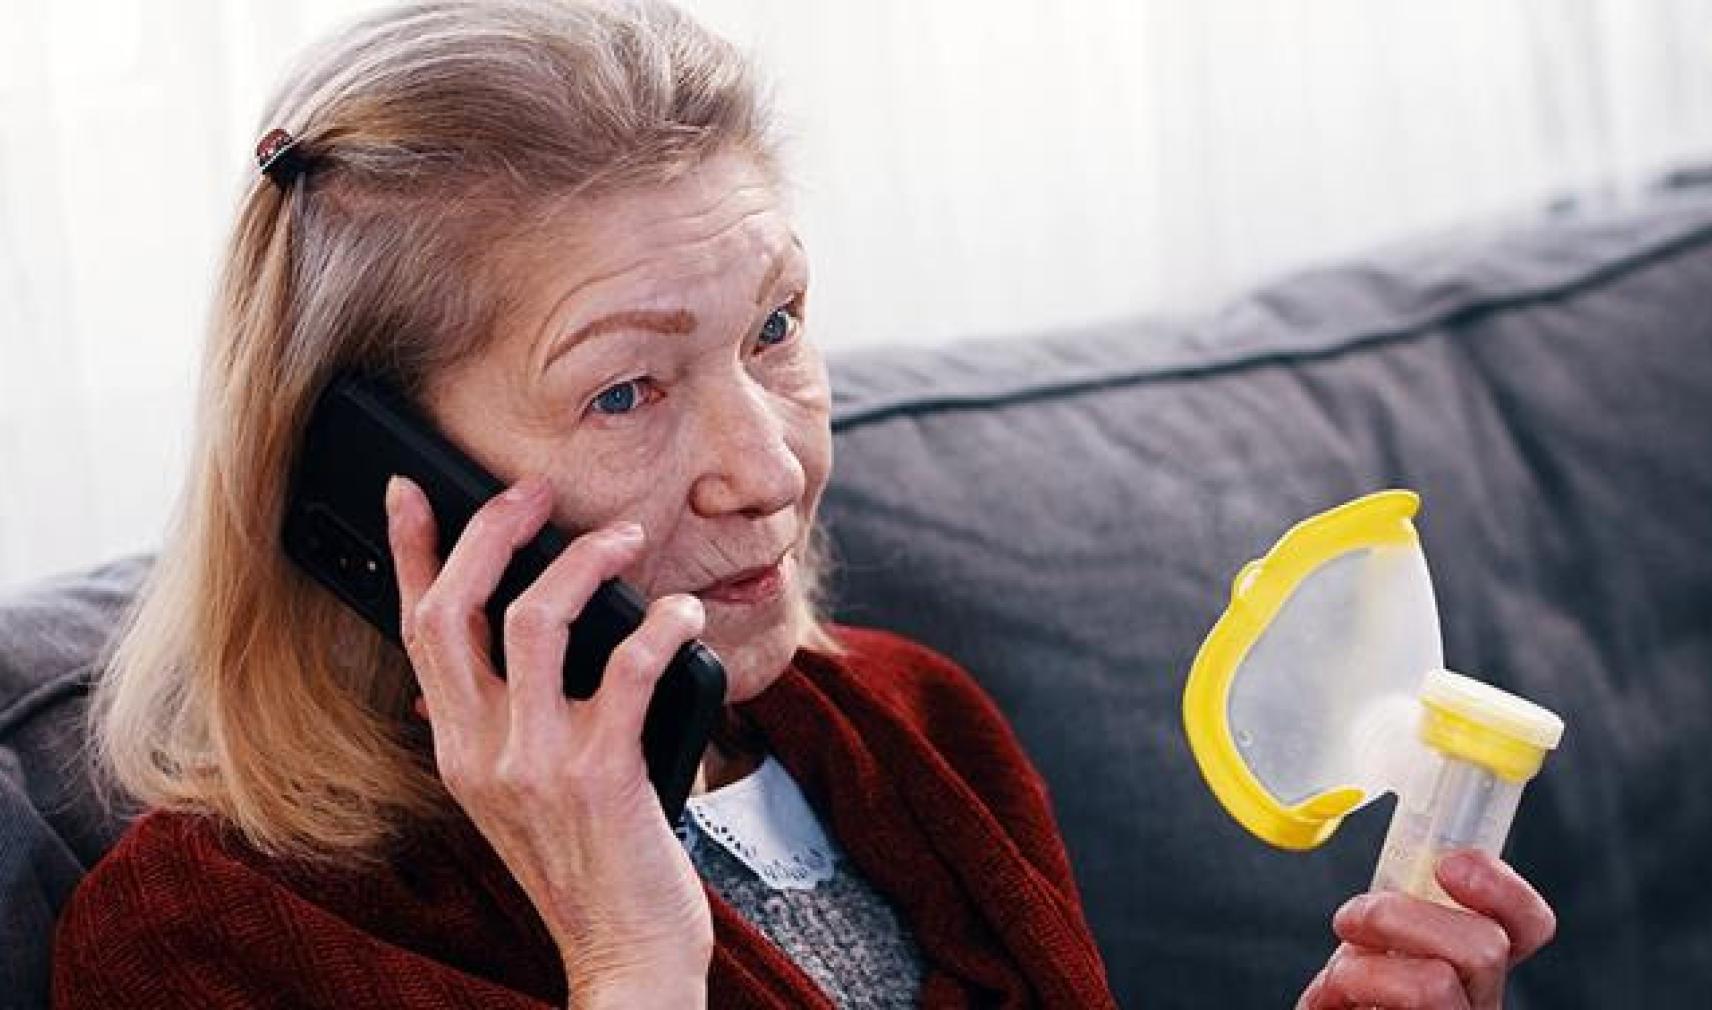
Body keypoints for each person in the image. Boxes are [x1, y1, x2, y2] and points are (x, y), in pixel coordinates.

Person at [51, 2, 1554, 1007]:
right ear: (376, 483)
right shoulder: (207, 938)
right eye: (627, 390)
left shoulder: (908, 727)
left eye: (775, 328)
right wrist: (630, 950)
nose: (769, 467)